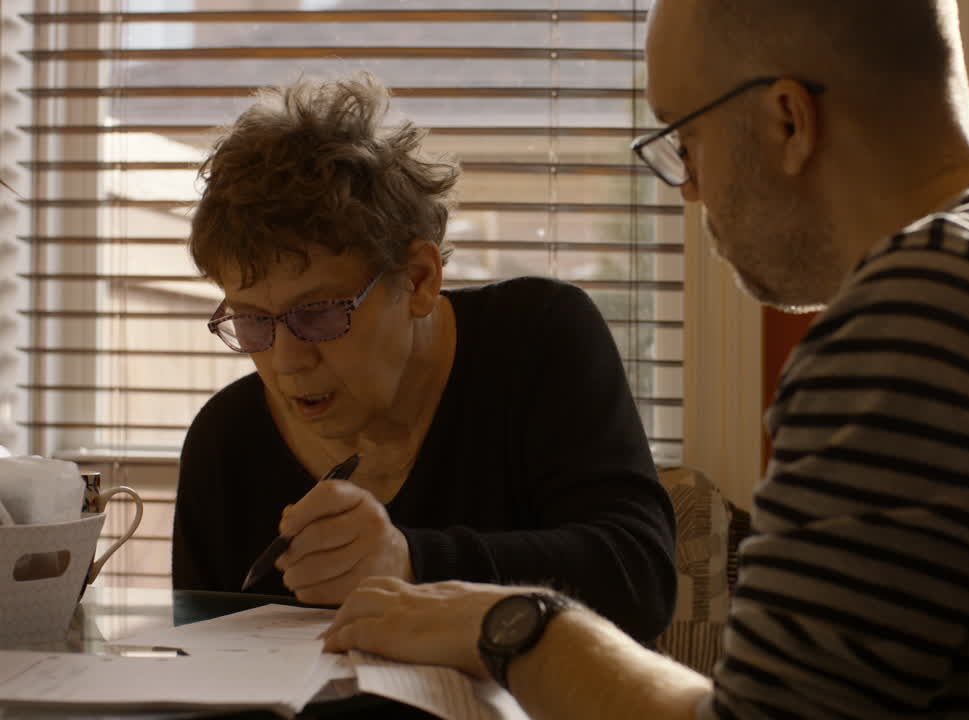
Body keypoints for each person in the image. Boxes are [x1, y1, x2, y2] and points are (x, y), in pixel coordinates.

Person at [322, 1, 969, 718]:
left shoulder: (927, 314)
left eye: (686, 140)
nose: (689, 191)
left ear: (786, 121)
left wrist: (514, 625)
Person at [171, 73, 677, 644]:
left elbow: (640, 582)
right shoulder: (227, 442)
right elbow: (200, 665)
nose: (287, 361)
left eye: (319, 313)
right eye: (253, 320)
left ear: (418, 279)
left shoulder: (538, 339)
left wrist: (411, 562)